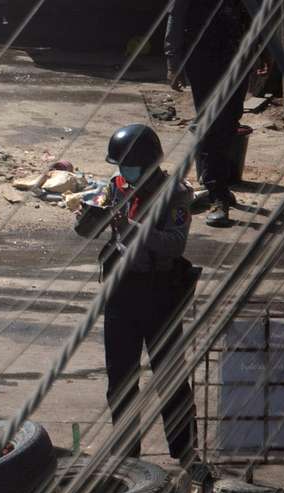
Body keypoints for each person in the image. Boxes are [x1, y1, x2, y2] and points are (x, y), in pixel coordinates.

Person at [82, 124, 202, 471]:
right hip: (121, 292)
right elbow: (90, 230)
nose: (123, 173)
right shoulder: (117, 187)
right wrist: (91, 217)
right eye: (120, 167)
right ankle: (127, 455)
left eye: (129, 166)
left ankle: (186, 452)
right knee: (120, 380)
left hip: (158, 293)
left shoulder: (175, 194)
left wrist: (136, 228)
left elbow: (174, 243)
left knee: (170, 377)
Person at [165, 0, 248, 227]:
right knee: (213, 124)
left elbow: (251, 11)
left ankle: (217, 184)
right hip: (205, 58)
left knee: (231, 121)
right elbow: (176, 15)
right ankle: (217, 194)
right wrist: (174, 61)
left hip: (238, 55)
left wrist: (264, 50)